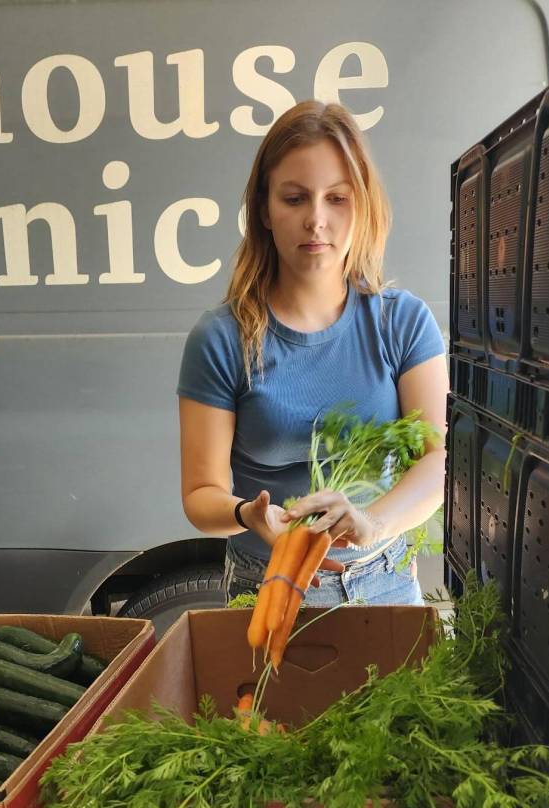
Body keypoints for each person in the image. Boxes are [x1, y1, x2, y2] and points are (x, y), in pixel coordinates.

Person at [177, 100, 448, 607]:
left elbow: (440, 459)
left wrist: (373, 522)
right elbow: (200, 495)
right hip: (267, 586)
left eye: (337, 198)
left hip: (383, 579)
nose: (315, 220)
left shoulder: (402, 322)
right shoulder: (221, 337)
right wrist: (246, 514)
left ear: (361, 205)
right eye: (295, 198)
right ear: (264, 209)